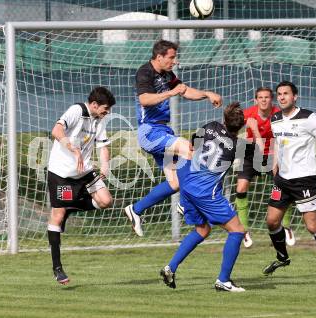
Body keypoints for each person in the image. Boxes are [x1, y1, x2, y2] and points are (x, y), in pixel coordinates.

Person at [125, 40, 222, 236]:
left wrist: (206, 94)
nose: (174, 61)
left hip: (163, 132)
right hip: (150, 132)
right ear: (159, 57)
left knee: (175, 183)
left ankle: (135, 210)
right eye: (171, 57)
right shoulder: (145, 72)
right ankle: (186, 204)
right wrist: (171, 92)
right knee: (188, 148)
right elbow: (145, 99)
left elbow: (184, 91)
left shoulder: (167, 75)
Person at [160, 102, 258, 292]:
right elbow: (260, 154)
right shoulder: (239, 146)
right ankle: (224, 280)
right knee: (237, 231)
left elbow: (191, 145)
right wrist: (254, 130)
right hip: (206, 193)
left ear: (223, 119)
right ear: (242, 126)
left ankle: (170, 268)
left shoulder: (211, 126)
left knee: (203, 230)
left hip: (188, 185)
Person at [263, 81, 316, 279]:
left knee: (312, 226)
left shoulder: (308, 117)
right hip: (283, 180)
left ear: (294, 97)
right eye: (279, 94)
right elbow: (279, 144)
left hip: (304, 180)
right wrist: (275, 163)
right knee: (271, 221)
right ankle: (282, 257)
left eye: (286, 94)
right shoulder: (276, 119)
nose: (281, 97)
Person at [47, 86, 116, 285]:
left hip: (84, 171)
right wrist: (73, 149)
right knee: (57, 216)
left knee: (105, 200)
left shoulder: (99, 120)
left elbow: (103, 145)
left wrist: (105, 165)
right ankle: (57, 268)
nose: (107, 112)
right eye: (105, 108)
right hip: (62, 173)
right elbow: (56, 130)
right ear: (94, 105)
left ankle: (70, 208)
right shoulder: (77, 110)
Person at [235, 87, 283, 248]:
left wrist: (277, 160)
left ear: (272, 100)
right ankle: (243, 230)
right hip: (251, 154)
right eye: (260, 97)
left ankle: (286, 226)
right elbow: (230, 127)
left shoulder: (278, 115)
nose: (263, 100)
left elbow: (280, 139)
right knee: (241, 188)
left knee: (284, 186)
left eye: (267, 97)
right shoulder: (248, 113)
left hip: (273, 154)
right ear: (255, 100)